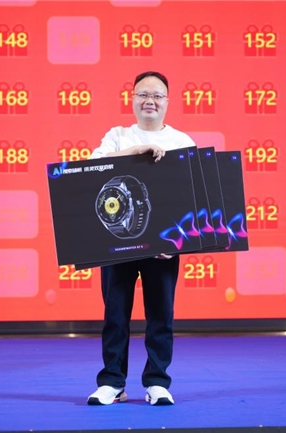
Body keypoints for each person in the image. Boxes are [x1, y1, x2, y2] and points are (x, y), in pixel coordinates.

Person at [87, 71, 196, 406]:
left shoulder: (182, 141)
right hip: (116, 244)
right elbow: (90, 168)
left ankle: (157, 382)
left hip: (163, 247)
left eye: (157, 95)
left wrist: (178, 242)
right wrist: (135, 151)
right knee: (115, 314)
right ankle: (112, 383)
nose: (150, 101)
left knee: (161, 315)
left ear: (167, 101)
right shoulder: (117, 136)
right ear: (132, 99)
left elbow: (193, 198)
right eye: (143, 94)